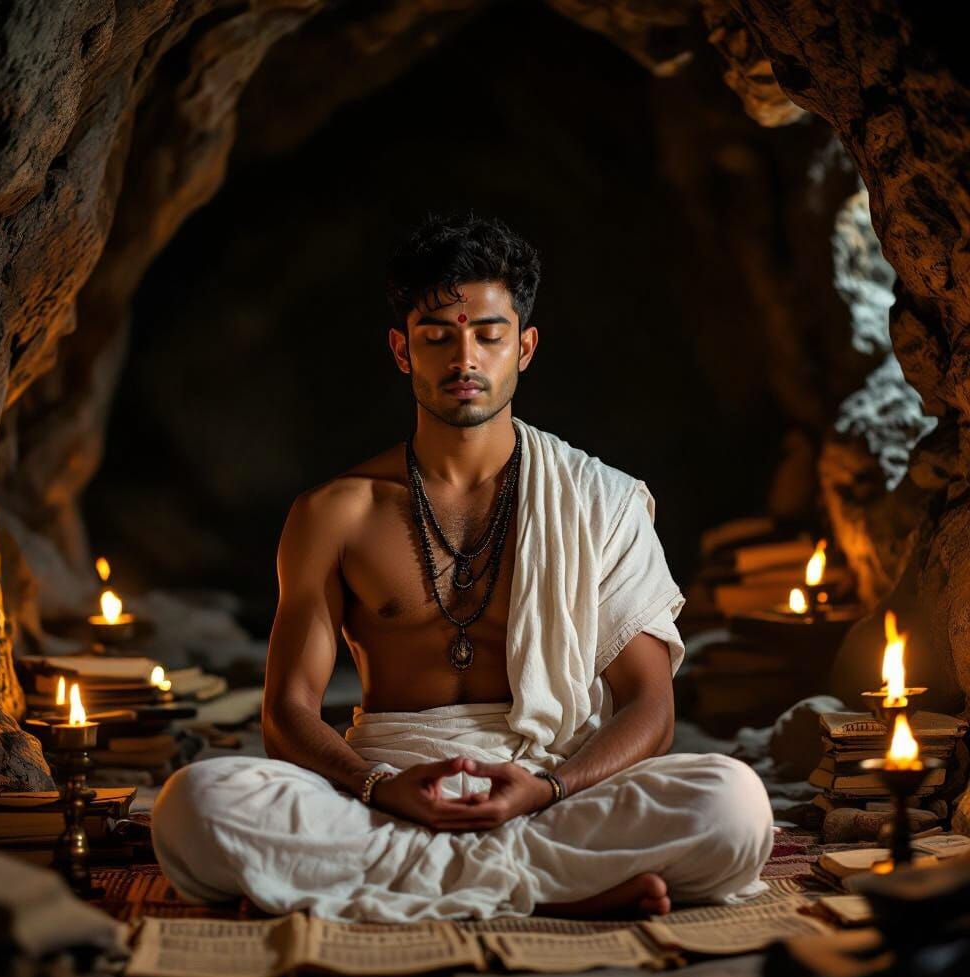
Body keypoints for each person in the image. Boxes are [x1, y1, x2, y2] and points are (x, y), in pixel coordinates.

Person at [151, 212, 774, 922]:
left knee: (731, 804)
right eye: (437, 336)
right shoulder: (335, 513)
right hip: (387, 792)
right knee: (194, 804)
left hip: (546, 790)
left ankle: (395, 885)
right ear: (401, 349)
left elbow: (650, 708)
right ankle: (560, 892)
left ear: (525, 347)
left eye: (489, 334)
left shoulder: (600, 501)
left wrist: (547, 790)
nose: (464, 359)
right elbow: (287, 711)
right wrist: (379, 786)